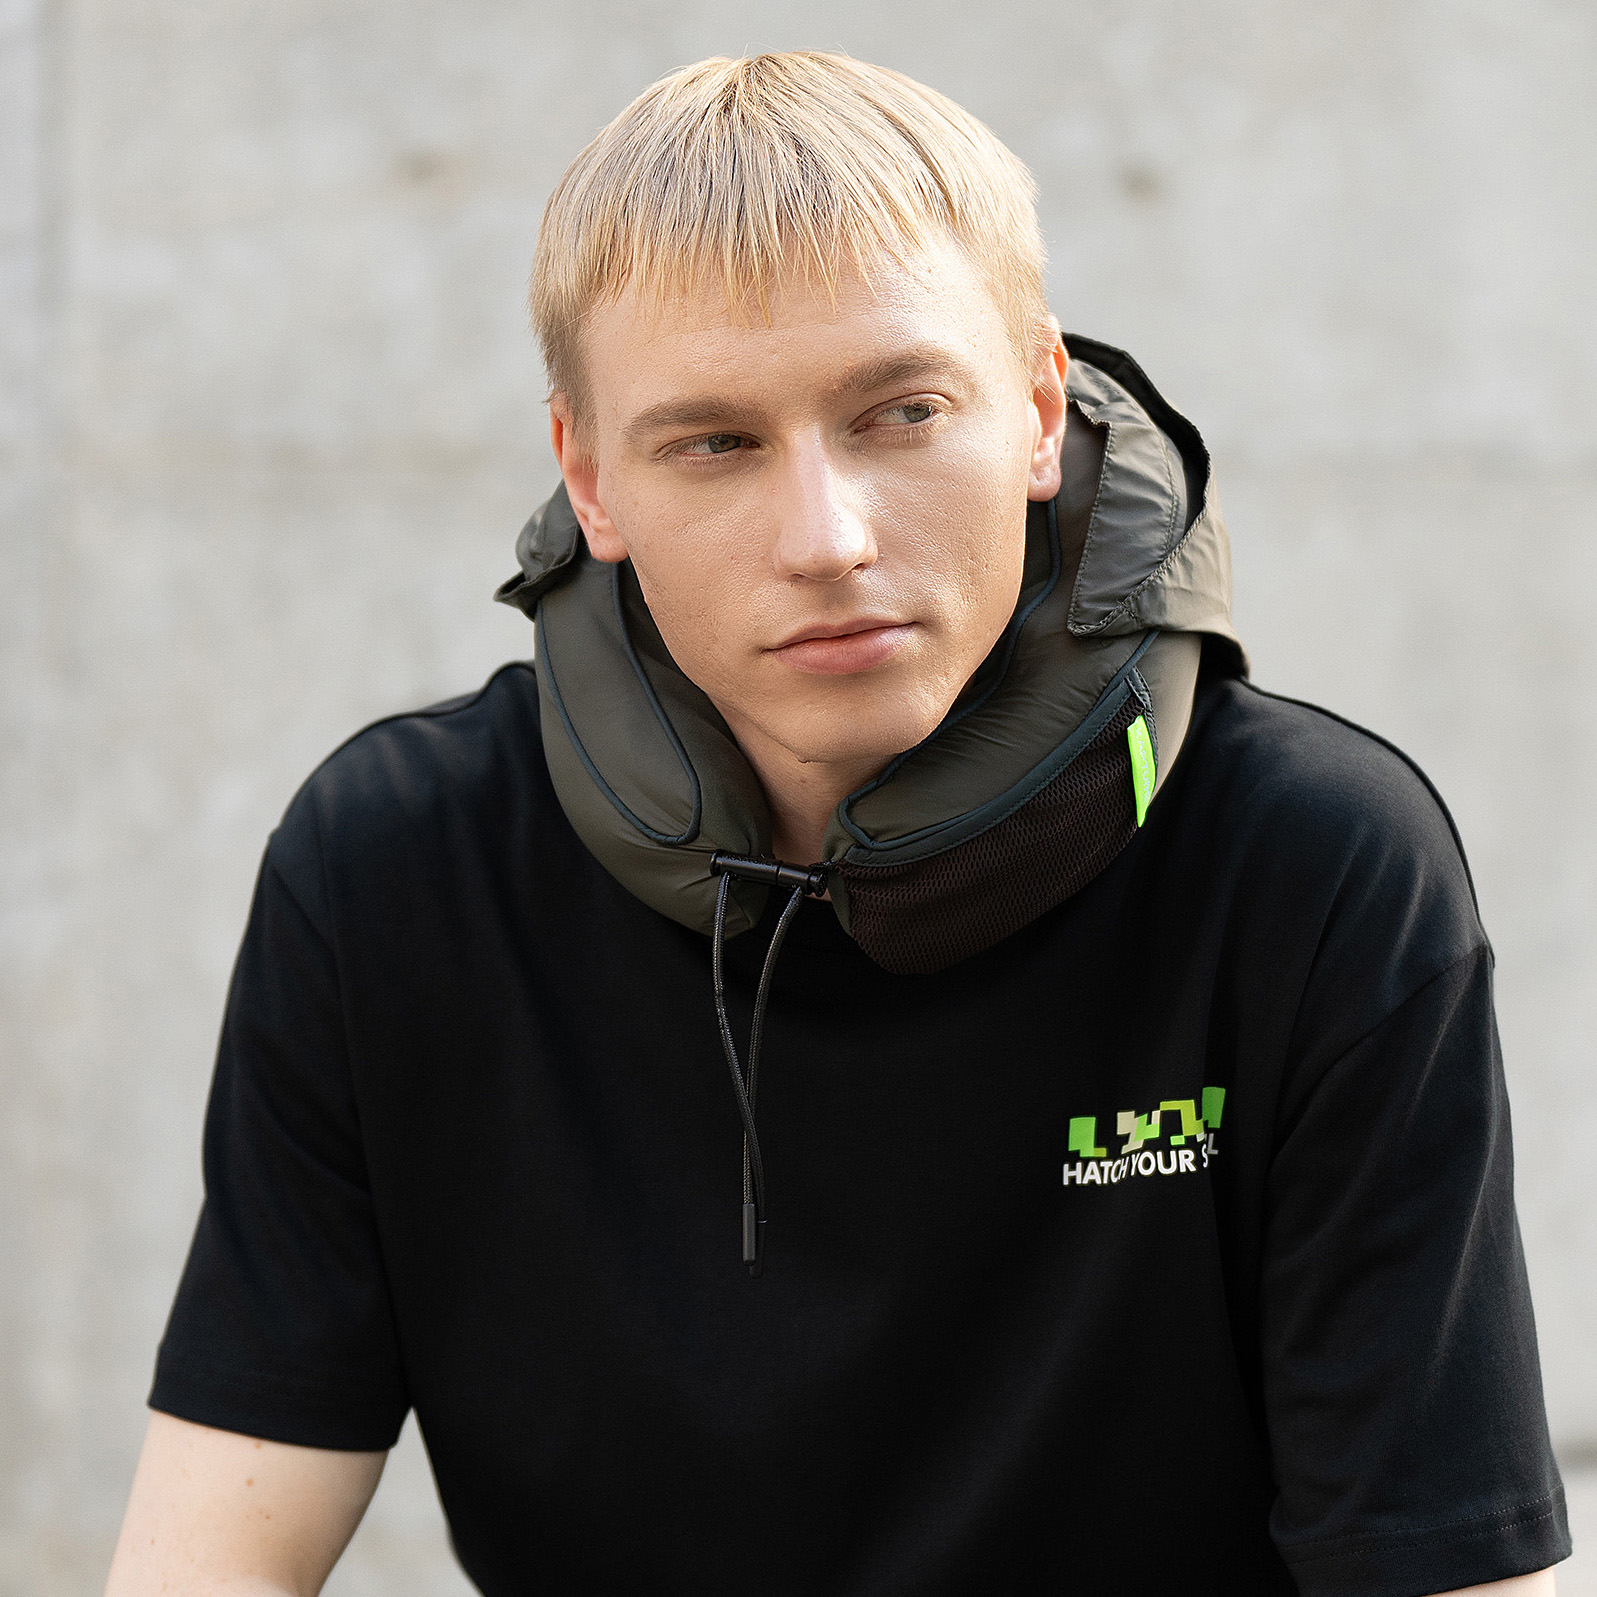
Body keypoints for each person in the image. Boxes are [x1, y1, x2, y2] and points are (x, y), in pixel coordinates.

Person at [106, 52, 1570, 1597]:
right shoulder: (397, 870)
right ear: (587, 479)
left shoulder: (1310, 865)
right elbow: (206, 1564)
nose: (826, 538)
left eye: (900, 411)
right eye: (713, 442)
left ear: (1036, 409)